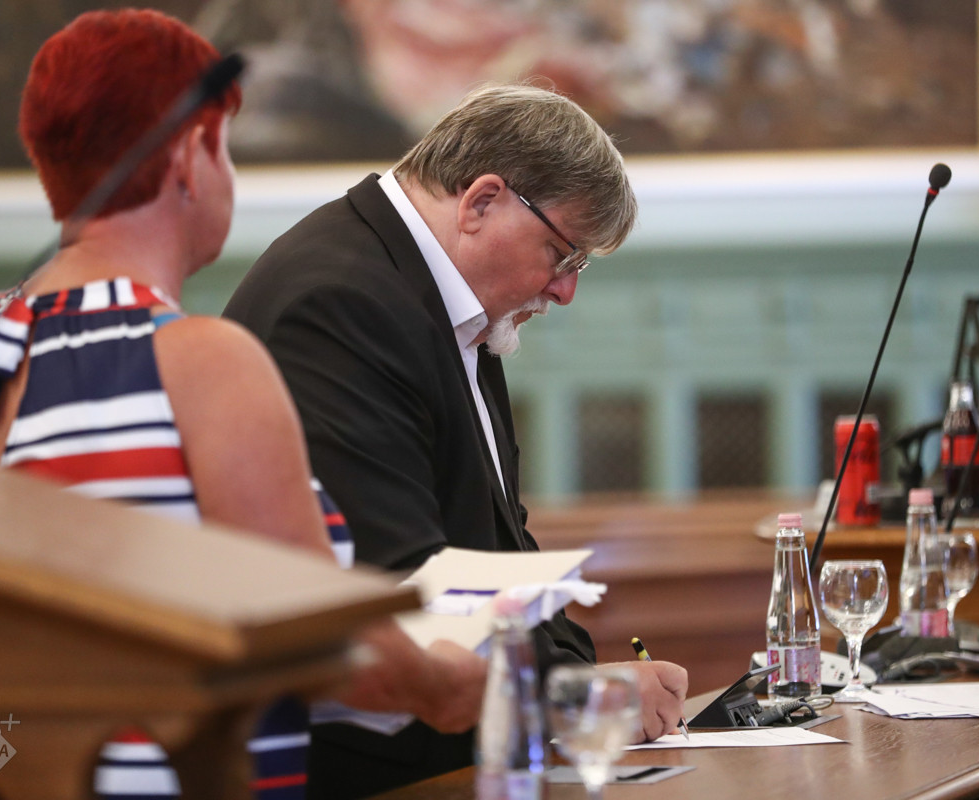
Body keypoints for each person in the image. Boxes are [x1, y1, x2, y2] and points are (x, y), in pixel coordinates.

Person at [0, 9, 484, 798]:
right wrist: (455, 682)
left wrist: (27, 782)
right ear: (191, 155)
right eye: (225, 148)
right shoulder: (202, 363)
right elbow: (326, 651)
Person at [224, 83, 689, 797]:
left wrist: (585, 677)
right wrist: (575, 695)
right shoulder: (342, 303)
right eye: (561, 254)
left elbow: (500, 547)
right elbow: (398, 583)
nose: (565, 291)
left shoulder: (443, 300)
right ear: (481, 202)